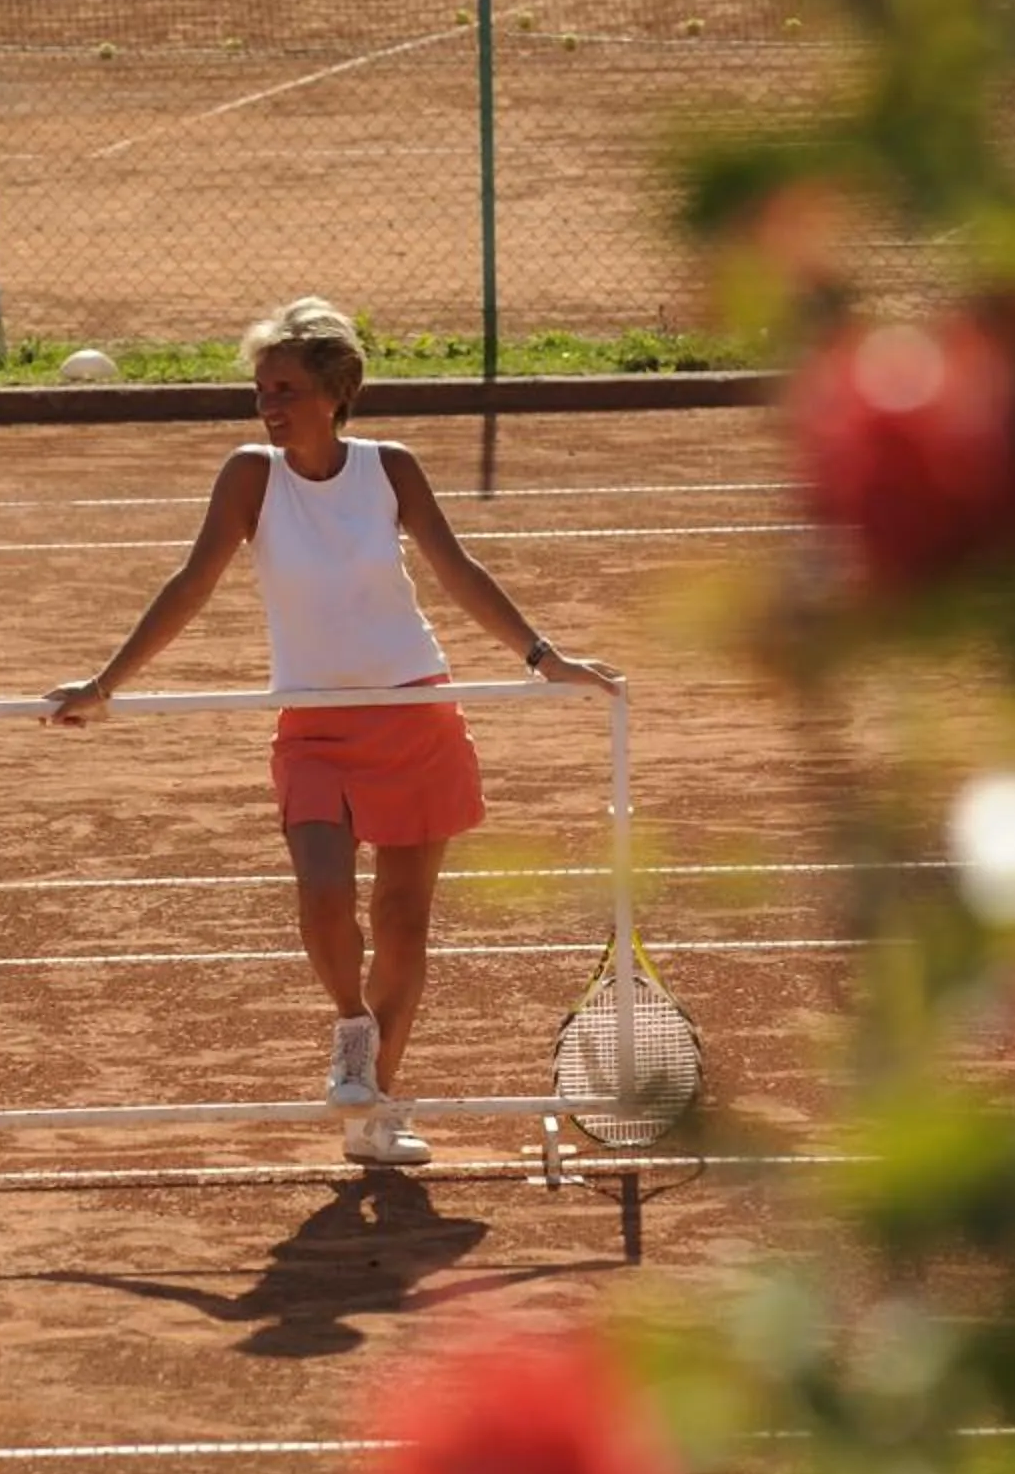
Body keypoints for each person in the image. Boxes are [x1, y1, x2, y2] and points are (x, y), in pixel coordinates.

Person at [47, 299, 620, 1167]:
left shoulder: (391, 469)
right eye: (259, 390)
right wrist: (105, 683)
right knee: (322, 896)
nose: (267, 406)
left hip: (411, 708)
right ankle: (353, 1028)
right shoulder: (250, 474)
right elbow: (191, 583)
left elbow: (455, 569)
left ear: (335, 391)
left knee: (403, 920)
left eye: (283, 388)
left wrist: (545, 656)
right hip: (312, 721)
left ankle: (377, 1107)